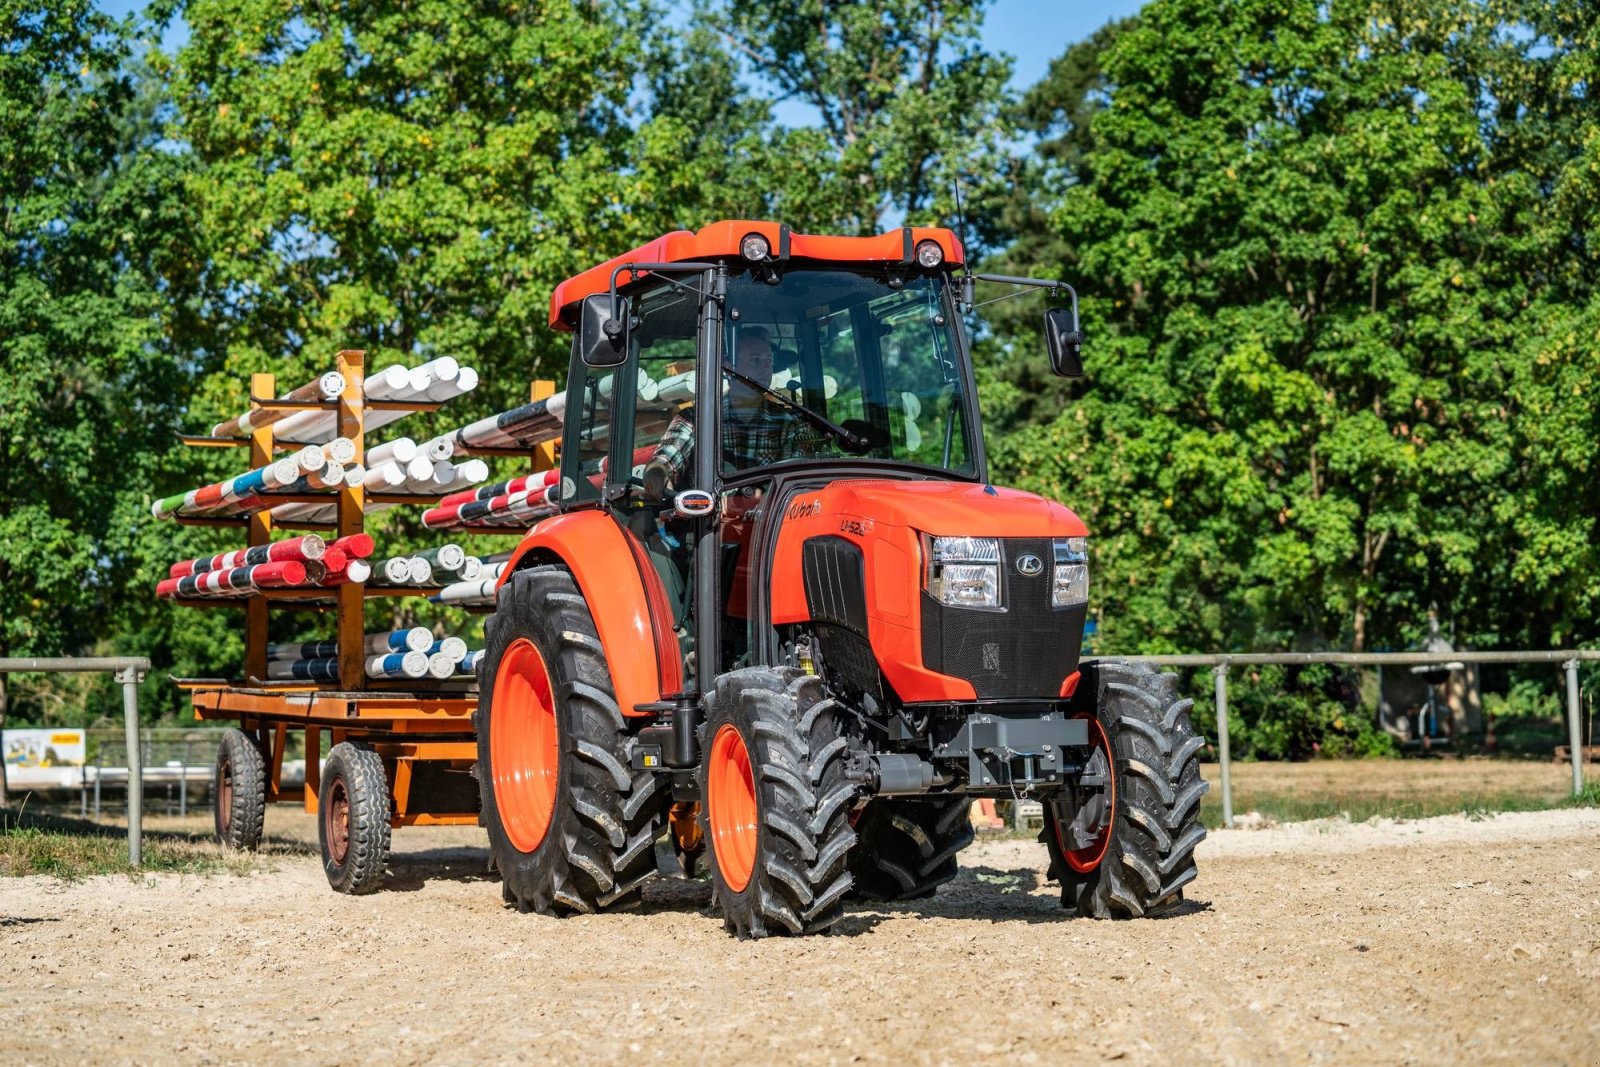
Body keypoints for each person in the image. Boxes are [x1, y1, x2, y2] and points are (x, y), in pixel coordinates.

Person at [642, 326, 825, 496]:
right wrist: (657, 472)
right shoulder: (697, 419)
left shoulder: (790, 421)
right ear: (729, 368)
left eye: (769, 360)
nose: (766, 367)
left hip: (769, 524)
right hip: (709, 525)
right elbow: (668, 456)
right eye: (755, 360)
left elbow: (799, 477)